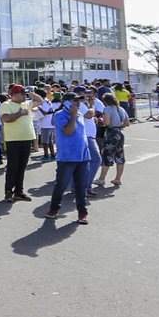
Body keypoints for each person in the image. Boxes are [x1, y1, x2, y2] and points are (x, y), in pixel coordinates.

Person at [46, 93, 90, 224]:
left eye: (78, 101)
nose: (77, 103)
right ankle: (54, 209)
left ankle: (82, 213)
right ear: (66, 102)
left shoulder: (79, 115)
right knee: (61, 185)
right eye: (74, 101)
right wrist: (73, 115)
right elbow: (69, 131)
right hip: (67, 156)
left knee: (81, 186)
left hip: (82, 155)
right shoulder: (59, 115)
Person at [0, 84, 42, 203]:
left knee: (22, 167)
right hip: (13, 140)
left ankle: (19, 191)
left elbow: (40, 101)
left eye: (25, 94)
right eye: (22, 94)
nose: (24, 96)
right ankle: (9, 191)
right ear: (14, 95)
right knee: (12, 167)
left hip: (26, 139)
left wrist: (31, 93)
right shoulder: (6, 104)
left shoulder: (26, 103)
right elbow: (6, 119)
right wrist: (20, 113)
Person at [76, 86, 104, 197]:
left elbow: (89, 116)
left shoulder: (83, 104)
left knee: (83, 163)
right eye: (85, 93)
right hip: (86, 137)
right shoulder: (80, 104)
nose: (88, 95)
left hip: (87, 136)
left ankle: (78, 186)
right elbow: (88, 114)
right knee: (96, 160)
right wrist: (92, 106)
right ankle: (86, 186)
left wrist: (94, 118)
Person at [97, 94, 129, 187]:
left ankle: (101, 179)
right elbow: (127, 123)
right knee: (120, 155)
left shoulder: (107, 109)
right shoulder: (121, 109)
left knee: (107, 155)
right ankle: (118, 178)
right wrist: (119, 124)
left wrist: (101, 120)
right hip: (120, 132)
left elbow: (107, 123)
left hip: (111, 133)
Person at [36, 89, 57, 162]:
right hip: (50, 123)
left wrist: (38, 108)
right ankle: (52, 155)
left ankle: (46, 155)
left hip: (46, 124)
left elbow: (44, 112)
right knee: (50, 141)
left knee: (45, 141)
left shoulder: (44, 102)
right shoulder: (48, 100)